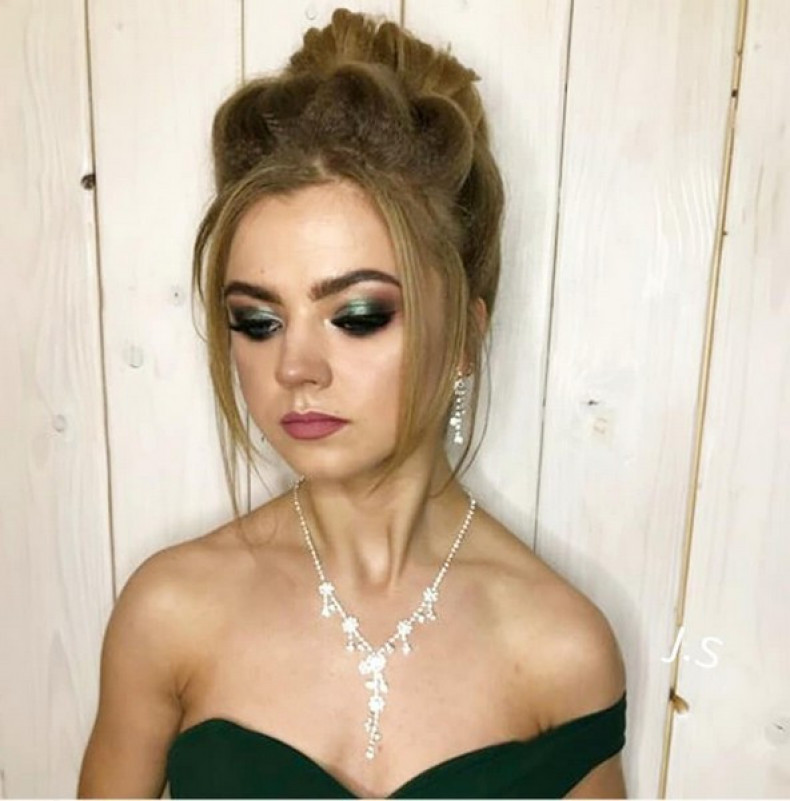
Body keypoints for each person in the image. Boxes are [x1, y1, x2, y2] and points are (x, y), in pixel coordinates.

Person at [77, 8, 627, 798]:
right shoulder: (170, 612)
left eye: (358, 315)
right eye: (257, 321)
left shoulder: (562, 646)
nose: (295, 366)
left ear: (466, 335)